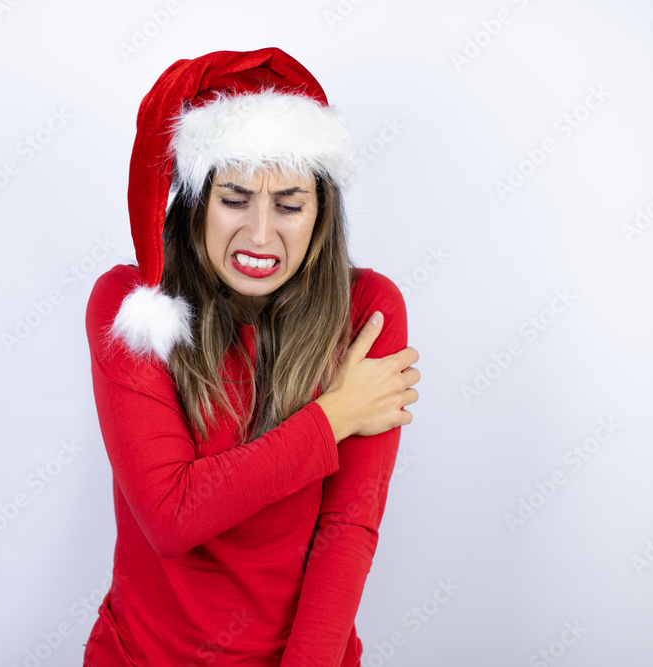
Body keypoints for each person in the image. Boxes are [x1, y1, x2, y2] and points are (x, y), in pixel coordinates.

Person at [82, 47, 420, 666]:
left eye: (289, 205)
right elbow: (173, 515)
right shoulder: (131, 309)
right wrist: (334, 416)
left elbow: (347, 531)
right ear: (195, 205)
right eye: (235, 200)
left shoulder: (369, 310)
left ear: (320, 214)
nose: (261, 235)